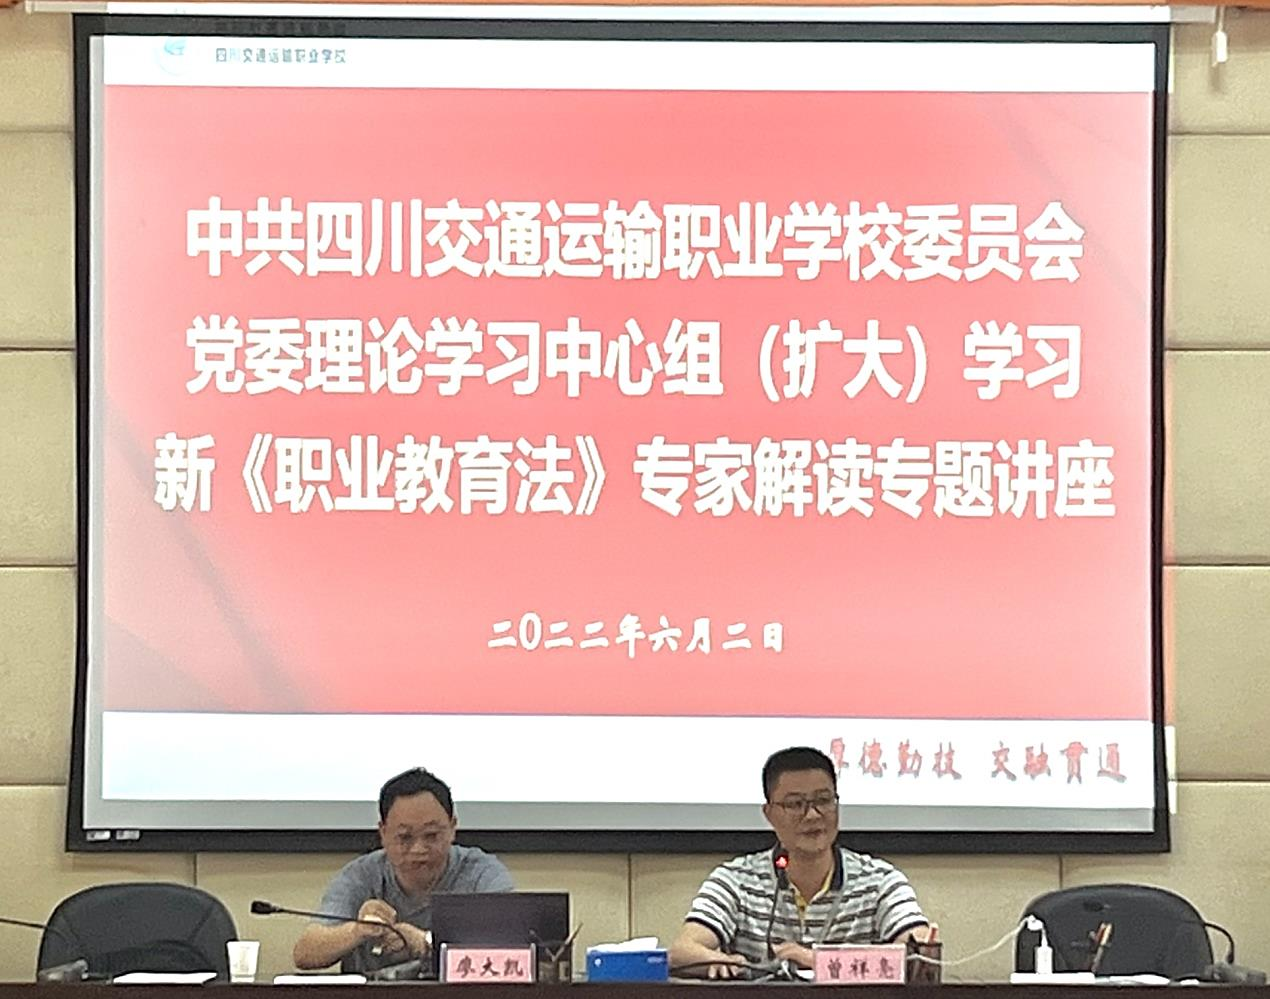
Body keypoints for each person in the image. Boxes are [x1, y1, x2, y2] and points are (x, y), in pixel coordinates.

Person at [669, 746, 934, 978]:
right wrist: (718, 962)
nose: (812, 815)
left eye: (823, 801)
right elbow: (680, 952)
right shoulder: (735, 881)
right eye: (795, 804)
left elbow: (922, 952)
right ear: (769, 814)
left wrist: (817, 961)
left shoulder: (880, 881)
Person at [292, 767, 514, 972]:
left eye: (431, 835)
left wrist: (425, 942)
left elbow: (514, 947)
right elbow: (305, 954)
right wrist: (358, 930)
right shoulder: (361, 876)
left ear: (453, 827)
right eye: (405, 837)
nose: (418, 849)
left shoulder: (482, 874)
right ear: (383, 833)